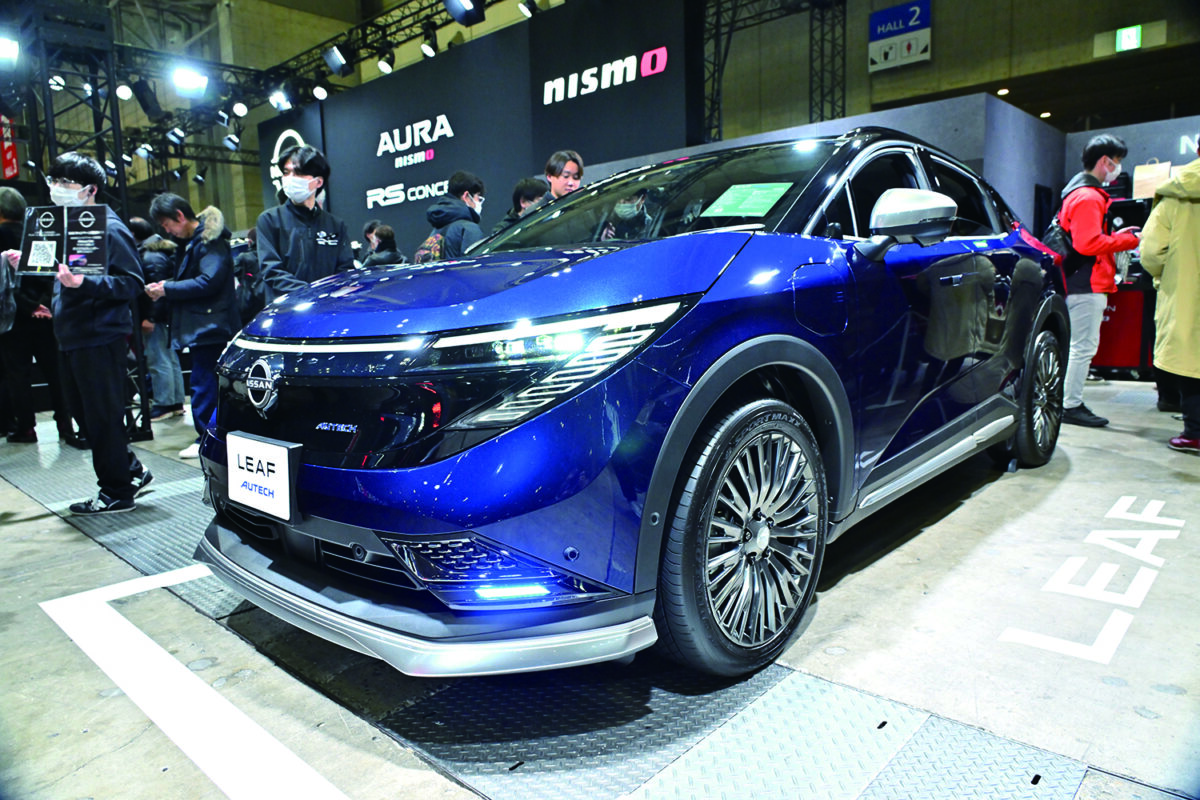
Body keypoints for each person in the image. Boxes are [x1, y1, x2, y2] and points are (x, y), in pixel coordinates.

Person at [2, 152, 151, 513]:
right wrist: (28, 262)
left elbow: (132, 284)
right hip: (72, 335)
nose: (57, 188)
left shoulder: (110, 228)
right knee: (86, 415)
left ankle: (116, 492)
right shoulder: (71, 226)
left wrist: (84, 283)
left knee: (101, 418)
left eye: (65, 182)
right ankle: (131, 470)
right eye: (53, 181)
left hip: (99, 336)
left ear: (90, 189)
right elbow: (63, 272)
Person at [147, 194, 240, 460]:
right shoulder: (195, 243)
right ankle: (210, 437)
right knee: (206, 383)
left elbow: (208, 281)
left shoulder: (209, 242)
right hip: (206, 323)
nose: (167, 231)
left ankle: (206, 438)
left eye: (167, 224)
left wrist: (167, 289)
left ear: (179, 216)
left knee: (204, 384)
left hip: (210, 325)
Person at [1058, 134, 1141, 428]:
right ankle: (1070, 405)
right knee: (1082, 347)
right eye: (1117, 161)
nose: (1118, 168)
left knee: (1077, 346)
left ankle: (1066, 402)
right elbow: (1088, 243)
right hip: (1086, 282)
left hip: (1079, 281)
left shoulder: (1077, 193)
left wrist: (1116, 237)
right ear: (1105, 161)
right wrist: (1128, 241)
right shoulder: (1089, 197)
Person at [1139, 135, 1200, 454]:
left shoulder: (1176, 193)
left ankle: (1195, 432)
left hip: (1187, 291)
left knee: (1192, 359)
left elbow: (1151, 251)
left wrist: (1167, 274)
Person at [256, 144, 354, 302]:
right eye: (286, 172)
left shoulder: (335, 225)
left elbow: (345, 270)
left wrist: (326, 296)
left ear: (318, 182)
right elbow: (272, 270)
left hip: (328, 308)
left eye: (298, 173)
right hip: (286, 309)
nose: (290, 178)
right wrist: (311, 293)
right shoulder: (269, 220)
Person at [128, 216, 184, 422]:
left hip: (157, 317)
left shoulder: (150, 255)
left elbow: (156, 291)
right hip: (165, 316)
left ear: (132, 234)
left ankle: (164, 404)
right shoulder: (157, 251)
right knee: (168, 359)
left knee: (159, 359)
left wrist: (150, 317)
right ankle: (174, 402)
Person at [414, 171, 486, 262]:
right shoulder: (469, 228)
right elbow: (475, 267)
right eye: (479, 198)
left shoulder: (437, 228)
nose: (479, 203)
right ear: (466, 196)